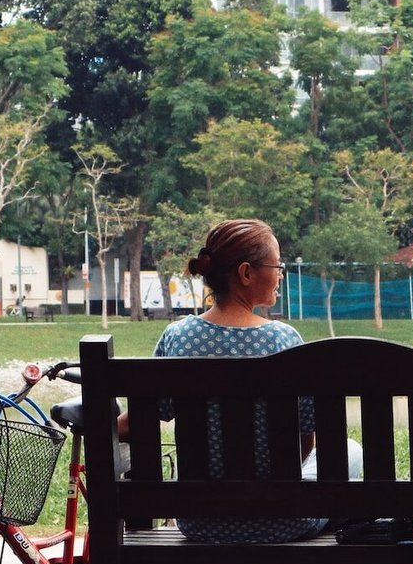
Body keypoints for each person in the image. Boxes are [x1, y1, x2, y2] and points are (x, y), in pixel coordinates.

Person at [121, 218, 362, 543]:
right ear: (246, 273)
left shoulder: (178, 337)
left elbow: (139, 423)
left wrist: (101, 421)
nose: (281, 274)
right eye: (277, 266)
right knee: (351, 450)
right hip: (286, 520)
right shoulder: (285, 340)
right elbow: (306, 441)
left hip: (200, 522)